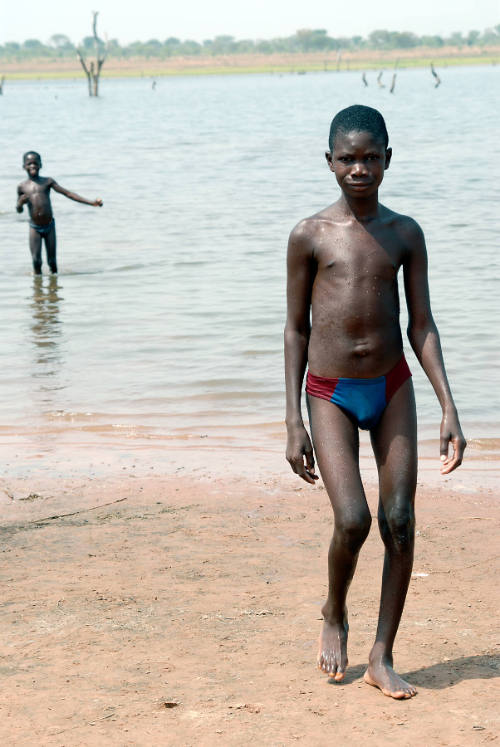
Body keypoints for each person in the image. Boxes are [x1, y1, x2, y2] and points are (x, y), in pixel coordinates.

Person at [284, 105, 466, 699]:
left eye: (370, 157)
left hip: (391, 388)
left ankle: (382, 653)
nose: (358, 168)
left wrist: (448, 406)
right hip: (330, 394)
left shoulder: (405, 233)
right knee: (354, 519)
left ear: (388, 158)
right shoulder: (310, 235)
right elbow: (295, 330)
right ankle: (334, 610)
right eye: (347, 158)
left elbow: (422, 325)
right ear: (329, 162)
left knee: (401, 521)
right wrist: (293, 420)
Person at [16, 151, 103, 274]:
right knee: (36, 261)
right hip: (34, 228)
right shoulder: (22, 187)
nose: (32, 166)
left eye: (35, 163)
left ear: (40, 165)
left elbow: (68, 194)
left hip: (49, 226)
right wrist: (20, 203)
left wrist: (91, 203)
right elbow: (18, 210)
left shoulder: (47, 182)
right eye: (29, 163)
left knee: (52, 262)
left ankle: (53, 289)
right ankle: (37, 291)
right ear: (24, 166)